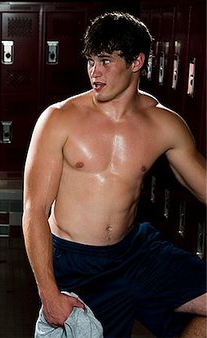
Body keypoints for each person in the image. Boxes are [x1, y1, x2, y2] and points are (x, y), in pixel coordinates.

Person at [23, 11, 206, 338]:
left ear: (136, 62)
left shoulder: (164, 124)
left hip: (135, 252)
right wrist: (48, 294)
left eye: (105, 61)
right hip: (77, 264)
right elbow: (34, 211)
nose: (95, 71)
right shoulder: (59, 120)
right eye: (91, 61)